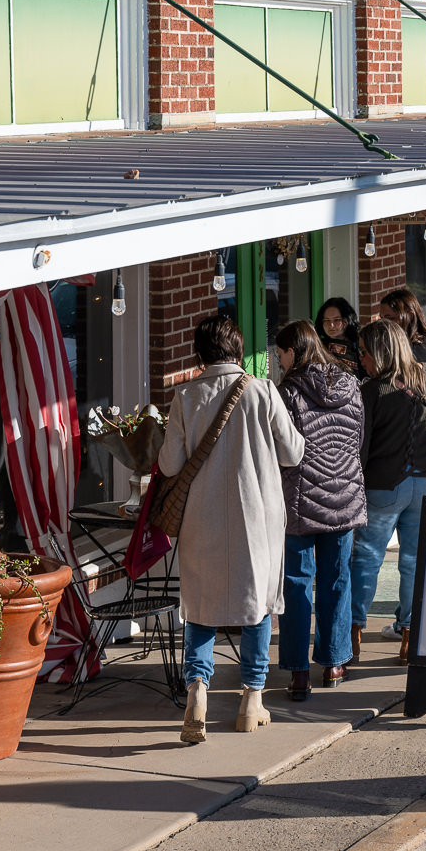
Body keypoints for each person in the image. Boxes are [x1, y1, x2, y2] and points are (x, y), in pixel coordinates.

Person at [158, 313, 304, 743]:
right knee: (257, 608)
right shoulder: (263, 392)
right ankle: (251, 700)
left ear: (199, 354)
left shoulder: (185, 397)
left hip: (201, 520)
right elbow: (294, 452)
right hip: (256, 520)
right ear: (238, 350)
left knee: (200, 611)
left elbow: (169, 464)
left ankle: (197, 694)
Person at [350, 318, 426, 664]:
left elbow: (362, 445)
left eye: (365, 353)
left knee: (368, 557)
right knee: (416, 560)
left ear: (380, 353)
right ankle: (409, 637)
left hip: (386, 483)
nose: (362, 360)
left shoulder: (371, 390)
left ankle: (353, 632)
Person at [275, 320, 366, 699]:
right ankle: (333, 663)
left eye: (280, 353)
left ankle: (299, 672)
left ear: (293, 352)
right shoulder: (351, 385)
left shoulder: (286, 392)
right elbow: (357, 438)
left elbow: (282, 449)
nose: (278, 361)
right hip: (344, 495)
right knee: (336, 579)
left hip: (300, 500)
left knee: (296, 584)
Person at [378, 287, 426, 376]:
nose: (383, 324)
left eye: (390, 318)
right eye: (381, 319)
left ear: (410, 316)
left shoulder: (419, 349)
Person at [315, 297, 364, 378]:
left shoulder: (360, 344)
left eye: (337, 320)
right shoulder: (318, 347)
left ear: (347, 320)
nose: (331, 325)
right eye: (326, 320)